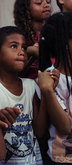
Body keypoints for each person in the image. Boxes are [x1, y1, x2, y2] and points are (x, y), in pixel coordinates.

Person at [0, 26, 45, 165]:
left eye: (24, 47)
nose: (22, 52)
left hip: (32, 160)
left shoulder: (30, 85)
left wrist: (46, 92)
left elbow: (39, 131)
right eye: (14, 46)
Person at [33, 12, 72, 164]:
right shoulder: (48, 79)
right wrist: (47, 90)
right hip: (61, 159)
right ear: (65, 43)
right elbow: (63, 127)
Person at [13, 0, 51, 79]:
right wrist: (29, 52)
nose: (46, 5)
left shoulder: (53, 32)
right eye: (39, 3)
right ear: (25, 9)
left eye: (48, 2)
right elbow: (15, 75)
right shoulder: (18, 37)